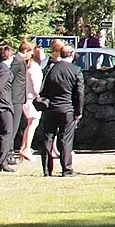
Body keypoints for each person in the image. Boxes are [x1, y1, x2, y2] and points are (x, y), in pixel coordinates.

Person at [37, 39, 85, 176]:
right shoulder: (76, 71)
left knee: (48, 138)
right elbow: (79, 93)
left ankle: (47, 170)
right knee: (66, 139)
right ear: (71, 54)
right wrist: (79, 111)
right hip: (67, 108)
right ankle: (66, 169)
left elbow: (44, 89)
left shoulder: (51, 69)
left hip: (51, 108)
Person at [13, 44, 42, 163]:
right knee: (33, 124)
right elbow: (35, 85)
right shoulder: (34, 67)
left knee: (29, 124)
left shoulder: (26, 66)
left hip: (26, 98)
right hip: (32, 98)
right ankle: (26, 148)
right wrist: (38, 96)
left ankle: (23, 148)